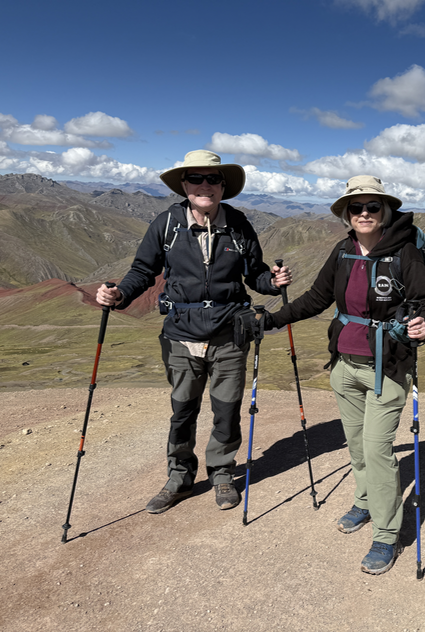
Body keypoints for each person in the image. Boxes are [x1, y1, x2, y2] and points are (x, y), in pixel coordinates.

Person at [95, 150, 292, 514]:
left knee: (226, 410)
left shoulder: (239, 225)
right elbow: (143, 270)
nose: (205, 186)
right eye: (196, 179)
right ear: (184, 185)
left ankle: (222, 474)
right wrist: (120, 294)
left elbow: (255, 274)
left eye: (213, 179)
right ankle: (179, 478)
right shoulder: (167, 224)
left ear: (223, 186)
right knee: (183, 411)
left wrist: (273, 281)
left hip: (230, 335)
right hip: (180, 336)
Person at [265, 175, 425, 575]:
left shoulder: (406, 253)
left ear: (385, 211)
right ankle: (364, 501)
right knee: (358, 446)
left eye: (372, 206)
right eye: (356, 207)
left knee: (377, 450)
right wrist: (270, 321)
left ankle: (386, 534)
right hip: (344, 366)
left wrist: (424, 325)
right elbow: (316, 298)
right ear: (347, 213)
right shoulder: (343, 251)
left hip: (387, 369)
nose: (364, 213)